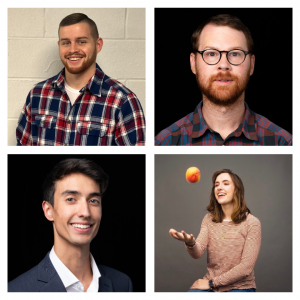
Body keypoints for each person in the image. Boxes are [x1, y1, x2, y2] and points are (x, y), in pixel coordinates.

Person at [155, 14, 292, 146]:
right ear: (193, 63)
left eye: (235, 54)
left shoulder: (283, 142)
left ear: (252, 64)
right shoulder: (164, 142)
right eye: (211, 54)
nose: (224, 65)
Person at [16, 13, 145, 146]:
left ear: (98, 45)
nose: (73, 50)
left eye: (82, 42)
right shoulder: (37, 94)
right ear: (59, 46)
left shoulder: (123, 101)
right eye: (66, 43)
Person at [8, 158, 133, 292]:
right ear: (48, 210)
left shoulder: (122, 284)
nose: (85, 212)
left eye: (93, 201)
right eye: (71, 199)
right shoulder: (16, 290)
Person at [169, 169, 261, 292]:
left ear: (237, 190)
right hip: (211, 285)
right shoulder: (209, 219)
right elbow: (197, 253)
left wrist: (212, 283)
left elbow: (246, 268)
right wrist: (190, 243)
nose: (219, 187)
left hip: (240, 287)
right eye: (216, 185)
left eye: (226, 183)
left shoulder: (252, 223)